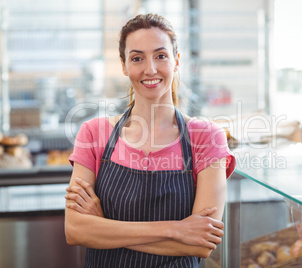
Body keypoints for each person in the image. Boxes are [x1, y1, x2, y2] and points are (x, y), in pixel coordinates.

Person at [64, 13, 236, 268]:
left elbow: (201, 244)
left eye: (161, 56)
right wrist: (177, 230)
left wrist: (104, 227)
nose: (150, 69)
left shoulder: (206, 136)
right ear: (124, 65)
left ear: (176, 61)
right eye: (137, 58)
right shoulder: (94, 133)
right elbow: (76, 230)